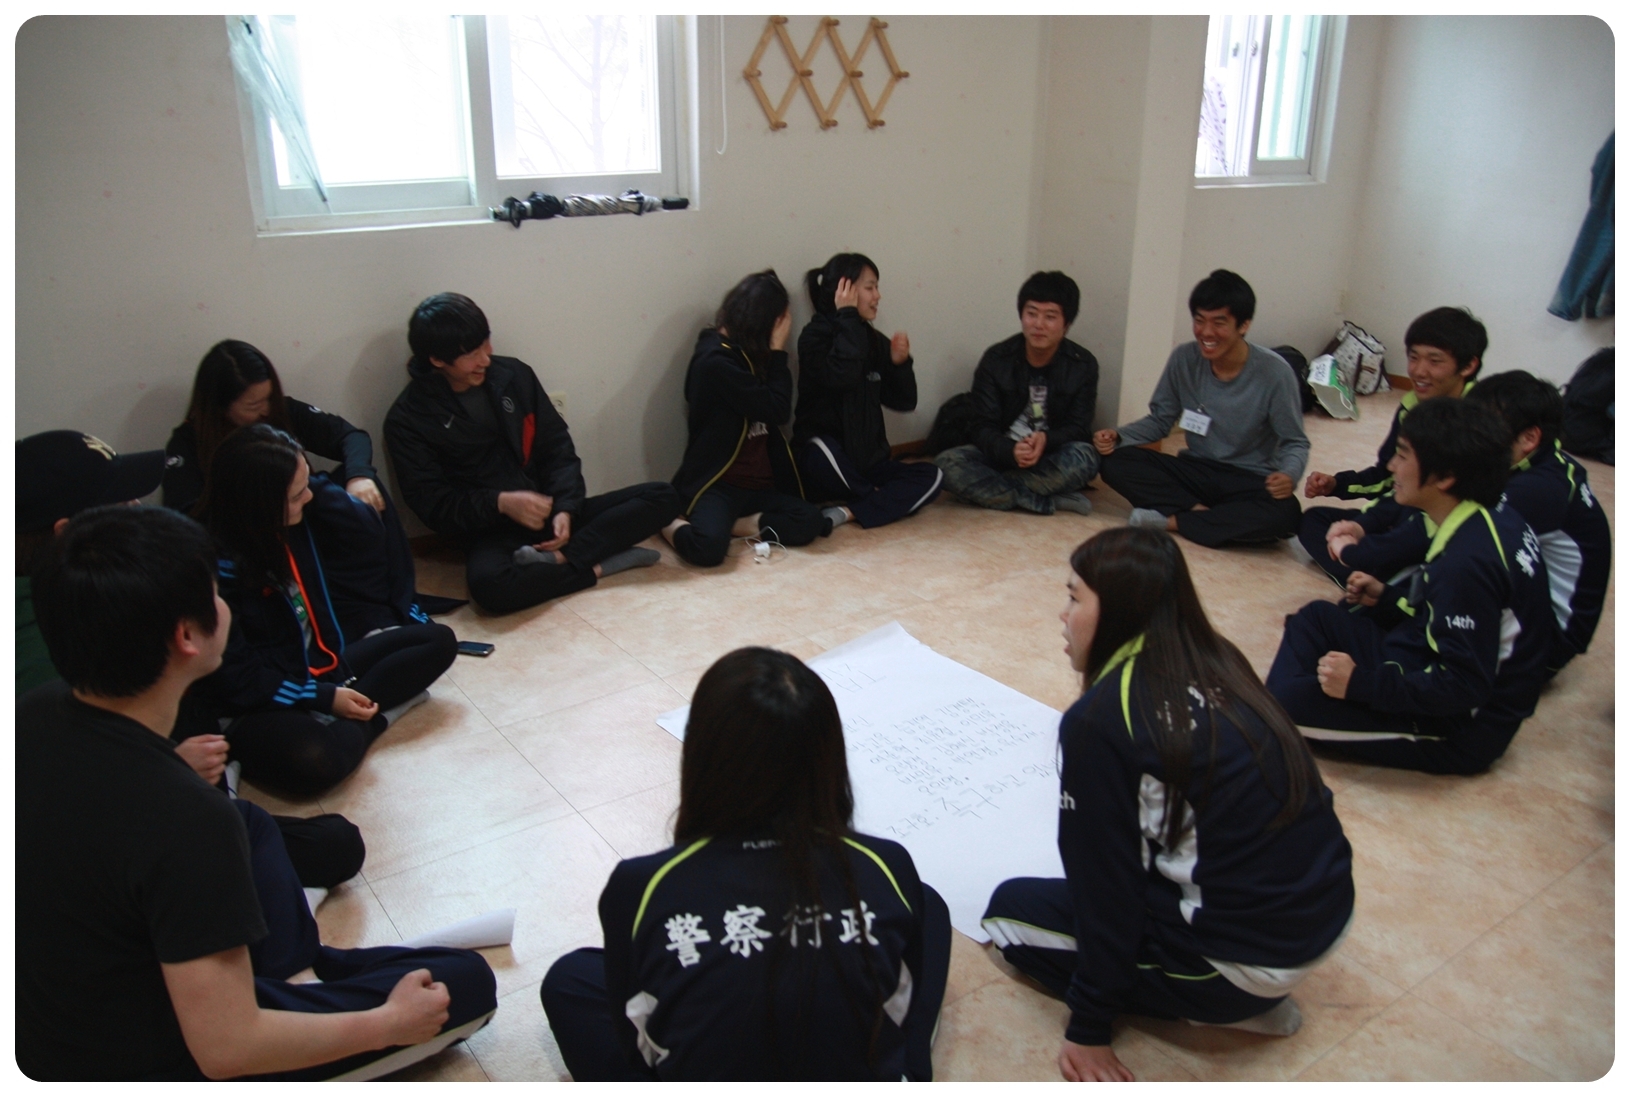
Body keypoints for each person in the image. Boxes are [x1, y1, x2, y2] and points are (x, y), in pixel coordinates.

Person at [17, 505, 496, 1081]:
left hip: (63, 1015)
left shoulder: (36, 713)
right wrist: (388, 1024)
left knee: (252, 821)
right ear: (187, 636)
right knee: (465, 984)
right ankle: (307, 996)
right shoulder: (185, 818)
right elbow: (228, 1049)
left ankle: (300, 976)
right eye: (214, 595)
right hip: (148, 1058)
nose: (224, 606)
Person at [982, 527, 1353, 1082]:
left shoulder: (1101, 721)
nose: (1063, 614)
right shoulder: (1218, 656)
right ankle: (1239, 989)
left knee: (1008, 914)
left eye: (1074, 597)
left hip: (1247, 961)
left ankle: (1224, 1004)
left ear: (1120, 610)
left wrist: (1089, 1026)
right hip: (1326, 912)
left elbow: (1105, 888)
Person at [540, 646, 952, 1080]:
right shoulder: (885, 864)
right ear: (829, 760)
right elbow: (900, 1007)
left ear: (701, 758)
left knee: (571, 980)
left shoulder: (640, 884)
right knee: (924, 906)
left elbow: (638, 1041)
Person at [15, 429, 364, 891]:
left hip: (163, 781)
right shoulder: (46, 656)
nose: (138, 507)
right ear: (68, 534)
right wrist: (168, 772)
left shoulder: (86, 598)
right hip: (109, 845)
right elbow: (68, 814)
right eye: (122, 502)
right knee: (323, 843)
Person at [1266, 399, 1555, 775]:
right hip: (1421, 654)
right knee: (1316, 617)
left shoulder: (1467, 562)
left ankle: (1285, 704)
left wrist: (1361, 684)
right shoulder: (1486, 513)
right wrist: (1389, 598)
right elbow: (1457, 615)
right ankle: (1293, 697)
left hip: (1461, 727)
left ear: (1445, 477)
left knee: (1288, 703)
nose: (1391, 466)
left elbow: (1464, 685)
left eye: (1403, 455)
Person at [189, 425, 458, 798]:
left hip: (316, 667)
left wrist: (313, 481)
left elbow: (366, 529)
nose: (310, 497)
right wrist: (322, 697)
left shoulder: (290, 522)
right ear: (259, 502)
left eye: (307, 485)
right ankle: (376, 715)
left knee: (438, 641)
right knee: (317, 761)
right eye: (297, 494)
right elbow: (237, 678)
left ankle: (352, 711)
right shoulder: (213, 568)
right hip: (256, 699)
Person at [385, 293, 680, 613]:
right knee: (490, 589)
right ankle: (598, 565)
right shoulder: (408, 419)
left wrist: (565, 508)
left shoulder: (514, 375)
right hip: (493, 531)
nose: (485, 359)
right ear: (437, 360)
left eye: (486, 344)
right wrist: (501, 503)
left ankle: (560, 559)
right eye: (472, 354)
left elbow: (557, 447)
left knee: (663, 496)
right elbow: (433, 504)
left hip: (550, 511)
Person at [1094, 269, 1308, 546]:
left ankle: (1173, 520)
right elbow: (1160, 420)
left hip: (1248, 478)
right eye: (1199, 320)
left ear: (1243, 325)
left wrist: (1289, 475)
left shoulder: (1275, 373)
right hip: (1195, 470)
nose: (1206, 332)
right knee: (1115, 461)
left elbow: (1295, 442)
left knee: (1287, 514)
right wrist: (1119, 436)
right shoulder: (1184, 358)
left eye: (1219, 323)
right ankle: (1204, 516)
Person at [1298, 307, 1486, 584]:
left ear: (1468, 366)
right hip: (1402, 510)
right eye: (1413, 357)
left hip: (1441, 527)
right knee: (1314, 521)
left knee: (1386, 536)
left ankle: (1376, 576)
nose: (1419, 371)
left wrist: (1366, 535)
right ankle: (1374, 573)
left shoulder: (1478, 423)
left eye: (1435, 361)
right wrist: (1338, 485)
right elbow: (1387, 475)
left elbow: (1457, 509)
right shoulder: (1411, 406)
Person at [666, 271, 833, 567]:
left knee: (810, 521)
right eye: (779, 323)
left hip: (758, 487)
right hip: (719, 484)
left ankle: (739, 524)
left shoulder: (747, 354)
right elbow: (777, 410)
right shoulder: (715, 361)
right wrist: (778, 352)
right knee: (708, 549)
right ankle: (665, 520)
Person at [1464, 370, 1611, 670]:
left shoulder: (1536, 490)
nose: (1470, 437)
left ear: (1529, 438)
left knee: (1452, 561)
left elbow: (1450, 537)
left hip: (1549, 644)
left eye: (1485, 428)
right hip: (1544, 621)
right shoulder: (1545, 461)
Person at [792, 252, 942, 529]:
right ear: (845, 290)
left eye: (877, 287)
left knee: (933, 476)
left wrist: (899, 365)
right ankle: (877, 499)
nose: (877, 296)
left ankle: (850, 510)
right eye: (870, 287)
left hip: (869, 466)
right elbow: (842, 377)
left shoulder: (873, 339)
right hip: (828, 463)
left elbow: (905, 401)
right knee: (819, 450)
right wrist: (847, 315)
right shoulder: (814, 337)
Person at [934, 271, 1100, 515]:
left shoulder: (1083, 364)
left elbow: (1079, 427)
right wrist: (1010, 451)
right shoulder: (996, 359)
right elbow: (981, 426)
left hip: (1049, 455)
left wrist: (1046, 440)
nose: (1038, 324)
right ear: (1021, 315)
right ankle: (1046, 498)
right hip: (1000, 454)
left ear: (1066, 324)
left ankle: (993, 491)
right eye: (1031, 313)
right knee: (945, 465)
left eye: (1050, 317)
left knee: (1086, 458)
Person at [163, 339, 387, 517]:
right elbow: (185, 515)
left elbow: (351, 436)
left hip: (305, 514)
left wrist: (359, 477)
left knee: (366, 488)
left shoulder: (280, 411)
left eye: (269, 398)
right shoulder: (188, 443)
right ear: (220, 407)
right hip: (250, 532)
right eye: (253, 405)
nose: (266, 410)